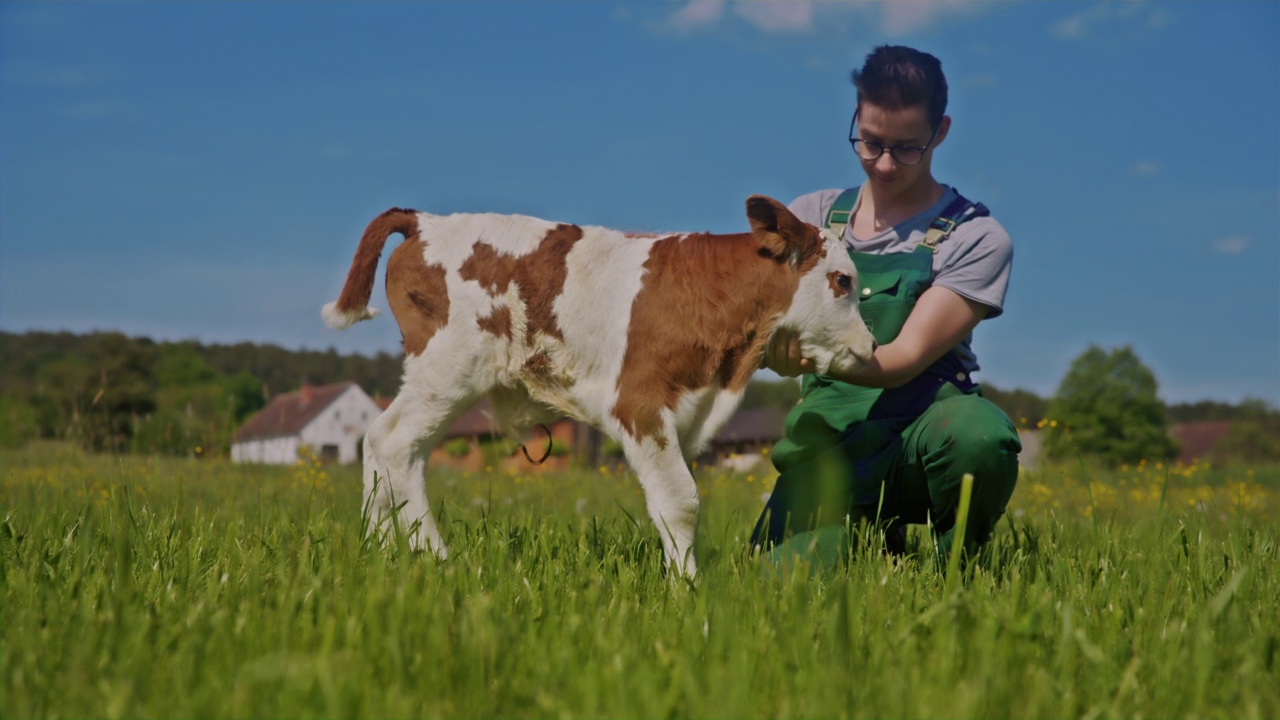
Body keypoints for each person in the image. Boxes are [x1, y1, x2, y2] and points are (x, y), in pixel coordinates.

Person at [750, 45, 1020, 566]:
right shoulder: (811, 218)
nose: (886, 163)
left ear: (940, 131)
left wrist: (807, 352)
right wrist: (768, 351)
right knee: (779, 594)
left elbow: (901, 360)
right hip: (828, 452)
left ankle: (960, 574)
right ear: (856, 114)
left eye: (907, 148)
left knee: (978, 436)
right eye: (870, 143)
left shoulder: (975, 236)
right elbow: (756, 322)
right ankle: (875, 543)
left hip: (921, 441)